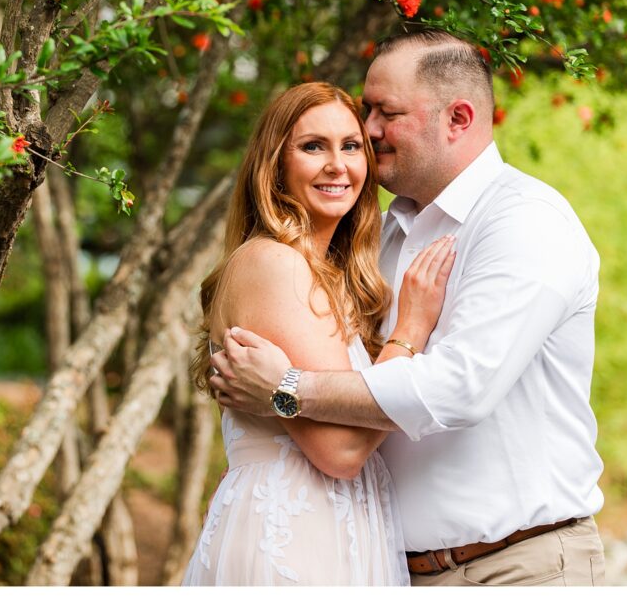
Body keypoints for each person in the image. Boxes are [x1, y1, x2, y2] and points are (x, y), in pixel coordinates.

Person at [210, 30, 607, 586]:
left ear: (459, 118)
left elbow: (461, 386)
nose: (369, 132)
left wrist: (288, 389)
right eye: (365, 112)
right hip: (383, 566)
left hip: (513, 566)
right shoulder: (382, 238)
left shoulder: (524, 222)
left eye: (384, 113)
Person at [180, 82, 456, 586]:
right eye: (313, 147)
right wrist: (410, 330)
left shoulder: (329, 275)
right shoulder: (273, 264)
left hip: (337, 529)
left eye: (351, 146)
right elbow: (341, 450)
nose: (338, 165)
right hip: (291, 536)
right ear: (274, 166)